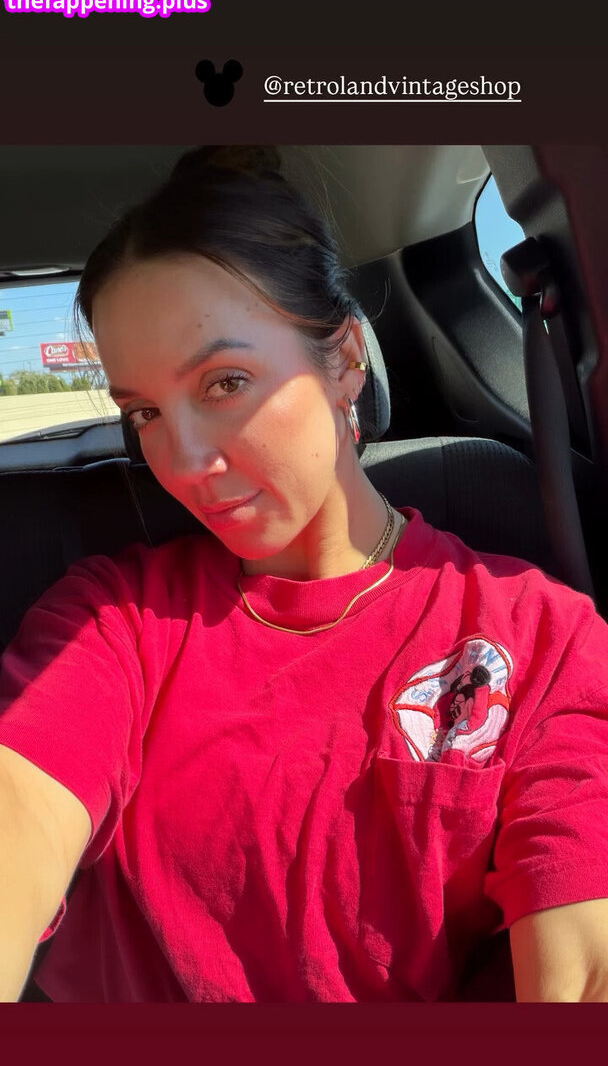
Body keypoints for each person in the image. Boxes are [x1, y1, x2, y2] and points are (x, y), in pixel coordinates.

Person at [1, 145, 608, 1003]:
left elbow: (583, 954)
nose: (183, 461)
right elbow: (20, 811)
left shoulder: (540, 634)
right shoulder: (114, 618)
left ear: (346, 359)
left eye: (225, 382)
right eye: (144, 412)